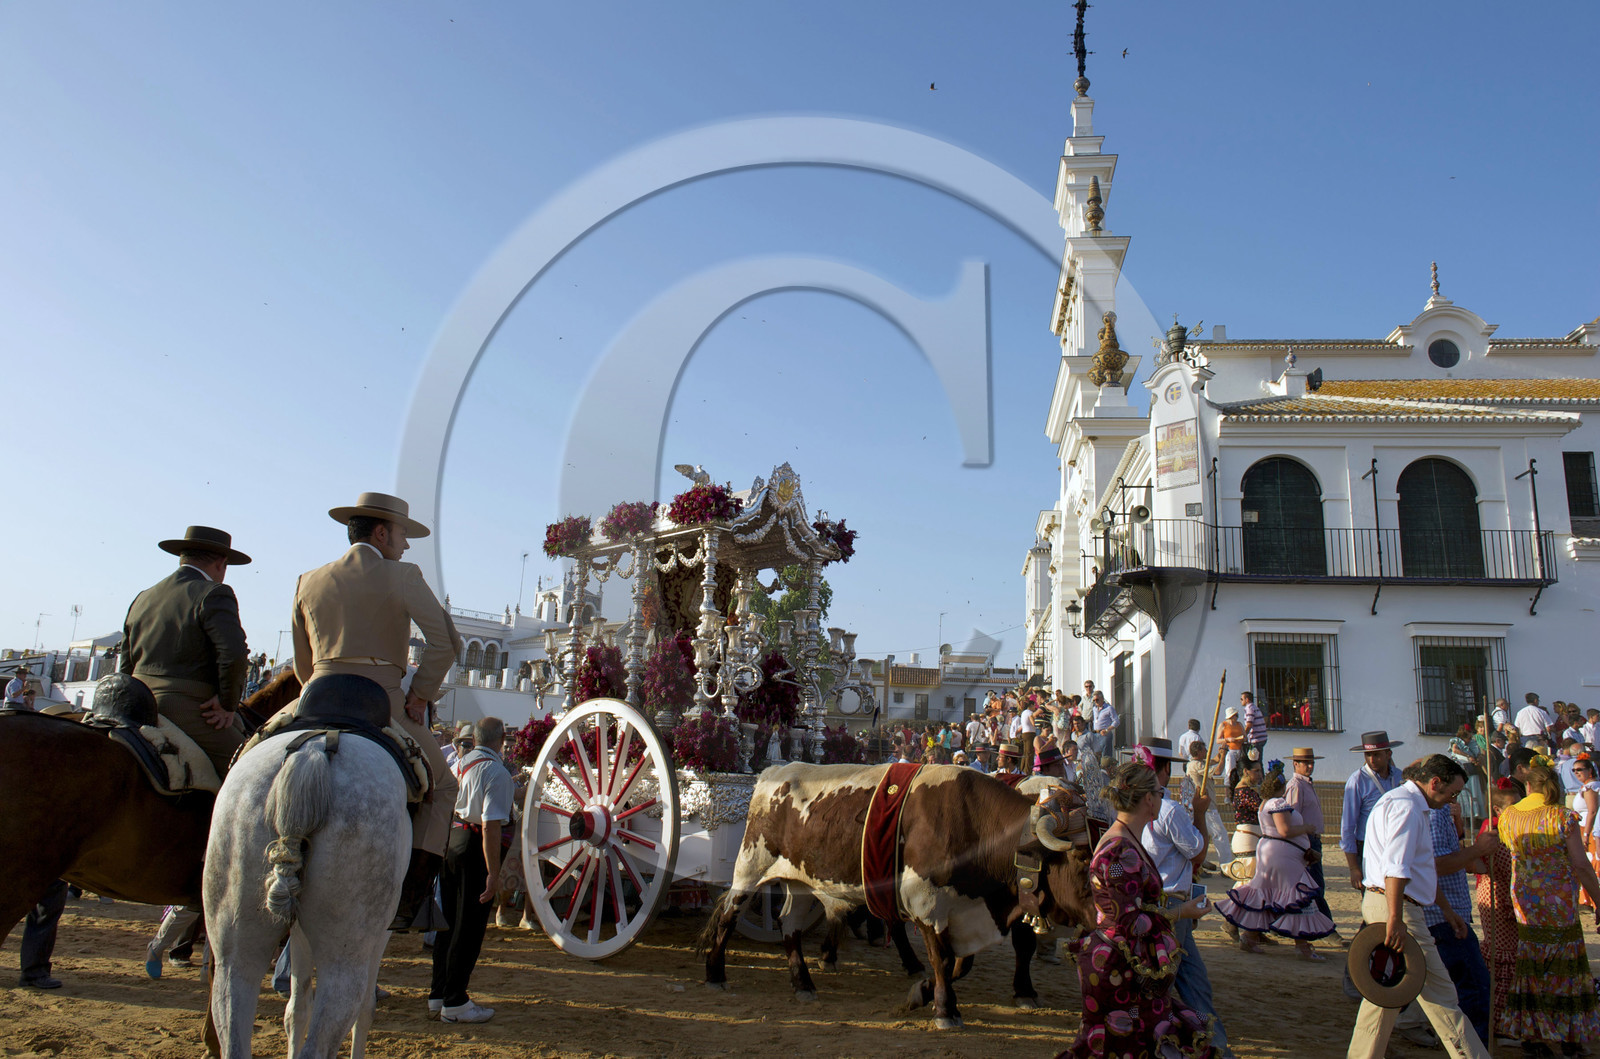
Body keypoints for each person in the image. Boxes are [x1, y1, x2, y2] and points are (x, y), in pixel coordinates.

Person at [285, 492, 463, 930]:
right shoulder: (403, 575)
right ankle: (409, 900)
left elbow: (302, 665)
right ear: (382, 532)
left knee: (245, 751)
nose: (404, 545)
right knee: (443, 788)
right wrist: (420, 694)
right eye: (402, 535)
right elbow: (445, 643)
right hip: (381, 702)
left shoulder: (308, 579)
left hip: (315, 696)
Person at [1062, 760, 1216, 1058]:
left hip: (1119, 964)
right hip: (1117, 968)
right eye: (1160, 792)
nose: (1162, 798)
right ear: (1148, 798)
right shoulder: (1121, 849)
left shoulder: (1128, 838)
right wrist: (1181, 912)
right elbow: (1129, 921)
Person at [1346, 754, 1490, 1059]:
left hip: (1387, 903)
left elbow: (1415, 870)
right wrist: (1396, 918)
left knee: (1383, 995)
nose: (1453, 800)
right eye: (1452, 792)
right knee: (1441, 996)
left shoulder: (1400, 802)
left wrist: (1448, 912)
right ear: (1434, 782)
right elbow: (1396, 869)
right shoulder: (1408, 807)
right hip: (1397, 908)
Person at [118, 525, 252, 776]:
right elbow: (233, 654)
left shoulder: (143, 597)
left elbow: (126, 663)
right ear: (221, 563)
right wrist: (226, 703)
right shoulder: (214, 592)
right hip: (184, 707)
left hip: (136, 703)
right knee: (251, 770)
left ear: (183, 557)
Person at [1138, 738, 1234, 1058]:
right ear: (1164, 771)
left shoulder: (1129, 808)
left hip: (1153, 904)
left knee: (1194, 981)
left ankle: (1215, 1044)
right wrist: (1201, 814)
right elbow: (1198, 852)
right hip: (1172, 906)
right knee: (1164, 985)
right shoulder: (1169, 810)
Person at [1496, 761, 1600, 1053]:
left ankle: (1532, 1034)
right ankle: (1568, 1036)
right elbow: (1581, 864)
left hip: (1525, 900)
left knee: (1531, 964)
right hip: (1558, 901)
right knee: (1563, 966)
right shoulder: (1562, 817)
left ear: (1528, 786)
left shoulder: (1509, 817)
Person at [429, 717, 514, 1024]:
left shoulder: (461, 764)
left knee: (448, 922)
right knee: (469, 927)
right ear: (501, 739)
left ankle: (438, 993)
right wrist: (493, 873)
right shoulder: (496, 772)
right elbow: (491, 827)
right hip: (476, 848)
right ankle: (455, 1001)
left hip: (453, 841)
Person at [1216, 762, 1333, 959]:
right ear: (1281, 787)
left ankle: (1250, 937)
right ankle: (1302, 947)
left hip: (1272, 853)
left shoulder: (1264, 804)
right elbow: (1285, 831)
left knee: (1267, 895)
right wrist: (1306, 828)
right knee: (1295, 896)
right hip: (1282, 856)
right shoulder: (1277, 804)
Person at [1421, 791, 1495, 1047]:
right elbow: (1437, 865)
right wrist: (1479, 849)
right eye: (1454, 791)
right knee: (1473, 986)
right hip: (1443, 917)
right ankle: (1474, 1047)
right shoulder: (1434, 811)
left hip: (1446, 912)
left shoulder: (1439, 810)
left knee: (1443, 986)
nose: (1455, 798)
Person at [1474, 779, 1521, 1043]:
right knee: (1504, 960)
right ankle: (1499, 1023)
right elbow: (1508, 870)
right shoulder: (1496, 833)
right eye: (1512, 806)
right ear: (1497, 808)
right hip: (1499, 896)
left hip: (1498, 893)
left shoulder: (1503, 829)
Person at [1283, 747, 1332, 923]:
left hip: (1312, 838)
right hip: (1306, 840)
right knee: (1314, 884)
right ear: (1296, 764)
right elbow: (1291, 816)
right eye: (1306, 763)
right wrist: (1305, 830)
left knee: (1314, 884)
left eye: (1311, 763)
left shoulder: (1306, 784)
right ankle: (1326, 924)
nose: (1310, 766)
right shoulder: (1296, 785)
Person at [1448, 722, 1487, 829]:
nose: (1469, 740)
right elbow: (1455, 749)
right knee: (1465, 794)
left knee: (1474, 793)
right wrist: (1468, 756)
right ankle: (1466, 817)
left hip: (1471, 772)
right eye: (1468, 737)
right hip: (1462, 771)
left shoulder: (1472, 745)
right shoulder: (1456, 741)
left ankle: (1475, 816)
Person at [1213, 707, 1246, 802]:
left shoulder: (1239, 725)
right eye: (1234, 716)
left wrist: (1241, 738)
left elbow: (1245, 737)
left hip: (1239, 749)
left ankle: (1238, 794)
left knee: (1240, 771)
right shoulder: (1223, 725)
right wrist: (1228, 739)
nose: (1235, 717)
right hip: (1230, 750)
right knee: (1229, 772)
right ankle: (1227, 794)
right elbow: (1218, 740)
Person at [1239, 691, 1267, 760]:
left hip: (1256, 739)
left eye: (1242, 699)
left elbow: (1249, 724)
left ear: (1247, 699)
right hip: (1261, 738)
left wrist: (1243, 736)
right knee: (1257, 760)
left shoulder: (1249, 708)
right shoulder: (1255, 707)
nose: (1240, 701)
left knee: (1255, 761)